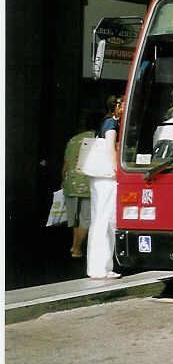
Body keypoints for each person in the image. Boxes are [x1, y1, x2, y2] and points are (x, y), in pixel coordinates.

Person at [87, 95, 122, 279]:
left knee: (101, 220)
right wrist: (117, 169)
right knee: (106, 221)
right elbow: (110, 148)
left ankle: (99, 267)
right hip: (107, 177)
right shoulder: (111, 123)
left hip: (100, 178)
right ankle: (101, 268)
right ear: (116, 107)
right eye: (122, 104)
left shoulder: (106, 122)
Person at [61, 124, 95, 258]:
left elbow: (66, 164)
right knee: (85, 219)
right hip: (87, 183)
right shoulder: (97, 139)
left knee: (74, 219)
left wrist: (63, 180)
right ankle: (76, 248)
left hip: (70, 182)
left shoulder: (73, 140)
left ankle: (74, 245)